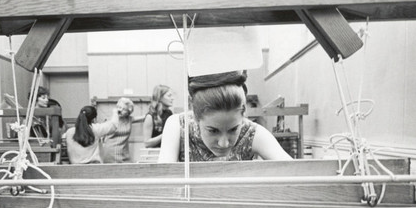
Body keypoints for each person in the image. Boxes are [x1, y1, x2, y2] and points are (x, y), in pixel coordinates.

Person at [158, 70, 292, 162]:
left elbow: (296, 173)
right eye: (213, 131)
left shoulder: (252, 133)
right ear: (195, 116)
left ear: (244, 113)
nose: (224, 143)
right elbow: (162, 182)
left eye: (233, 129)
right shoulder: (177, 126)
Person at [101, 97, 142, 163]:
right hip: (111, 152)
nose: (120, 110)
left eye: (124, 109)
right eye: (119, 107)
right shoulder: (111, 119)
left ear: (129, 111)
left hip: (123, 152)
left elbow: (143, 118)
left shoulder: (129, 119)